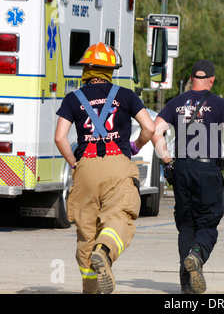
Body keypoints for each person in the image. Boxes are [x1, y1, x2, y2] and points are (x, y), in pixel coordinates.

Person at [54, 42, 155, 294]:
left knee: (86, 233)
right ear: (111, 71)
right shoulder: (126, 95)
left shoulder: (72, 98)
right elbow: (150, 128)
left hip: (85, 167)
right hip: (118, 165)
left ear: (86, 69)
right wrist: (136, 146)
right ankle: (105, 251)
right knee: (119, 217)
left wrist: (74, 163)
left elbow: (59, 138)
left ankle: (91, 290)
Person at [152, 60, 224, 293]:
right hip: (208, 170)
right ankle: (197, 255)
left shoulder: (175, 103)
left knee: (186, 225)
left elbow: (155, 131)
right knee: (209, 220)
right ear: (212, 80)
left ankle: (187, 285)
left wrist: (167, 161)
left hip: (182, 168)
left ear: (192, 78)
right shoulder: (220, 104)